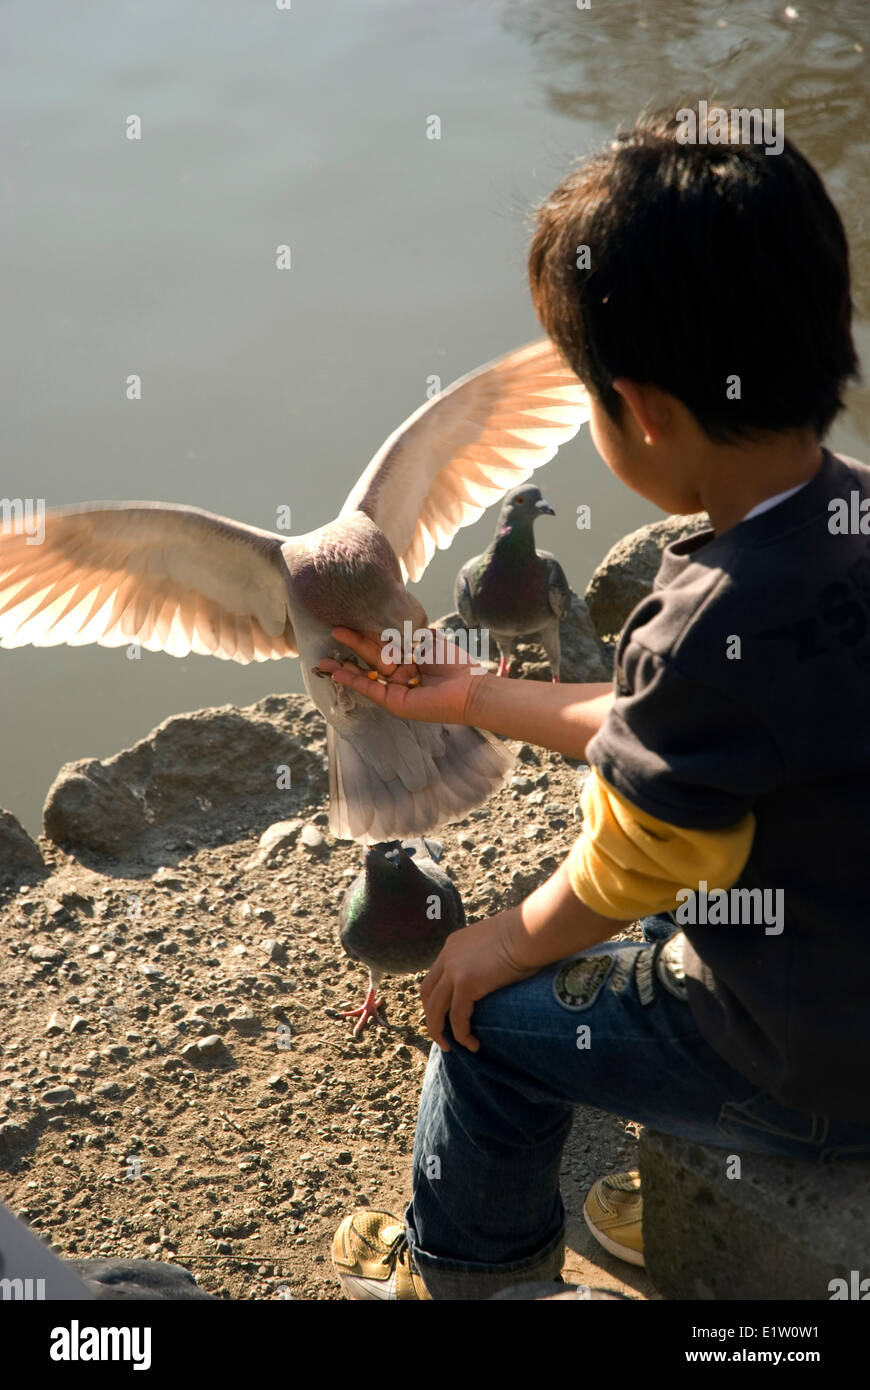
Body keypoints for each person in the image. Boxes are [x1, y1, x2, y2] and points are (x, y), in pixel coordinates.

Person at [320, 105, 870, 1300]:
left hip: (818, 1068)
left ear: (646, 412)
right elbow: (688, 739)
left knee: (491, 1020)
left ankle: (470, 1275)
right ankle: (648, 1187)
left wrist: (495, 942)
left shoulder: (710, 618)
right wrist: (481, 694)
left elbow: (647, 852)